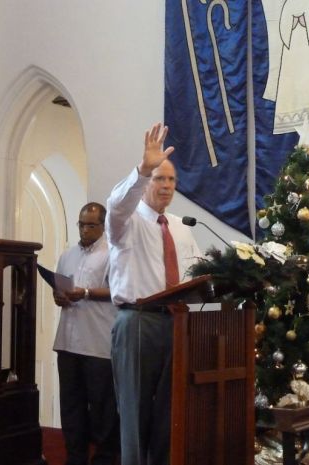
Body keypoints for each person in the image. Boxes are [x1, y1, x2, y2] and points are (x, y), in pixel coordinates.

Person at [107, 123, 201, 465]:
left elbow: (198, 273)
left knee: (169, 415)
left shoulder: (180, 226)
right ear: (147, 183)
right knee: (135, 414)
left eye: (171, 180)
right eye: (159, 179)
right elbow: (116, 205)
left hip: (177, 325)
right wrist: (143, 168)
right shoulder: (127, 222)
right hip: (139, 324)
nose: (166, 186)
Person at [52, 202, 120, 465]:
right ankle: (75, 459)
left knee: (103, 410)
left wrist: (87, 293)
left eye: (91, 225)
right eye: (81, 224)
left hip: (98, 344)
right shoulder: (67, 255)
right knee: (71, 407)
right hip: (68, 341)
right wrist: (60, 296)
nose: (84, 229)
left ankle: (103, 460)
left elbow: (120, 292)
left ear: (103, 226)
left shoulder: (113, 254)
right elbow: (61, 287)